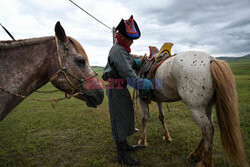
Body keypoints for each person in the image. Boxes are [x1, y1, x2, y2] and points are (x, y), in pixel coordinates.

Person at [102, 15, 152, 166]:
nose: (132, 41)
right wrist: (148, 83)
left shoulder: (121, 50)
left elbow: (128, 61)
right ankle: (121, 155)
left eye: (133, 38)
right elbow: (132, 79)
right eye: (129, 38)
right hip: (115, 88)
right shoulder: (118, 51)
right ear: (121, 36)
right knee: (119, 118)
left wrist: (137, 62)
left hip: (120, 87)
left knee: (125, 115)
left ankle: (125, 146)